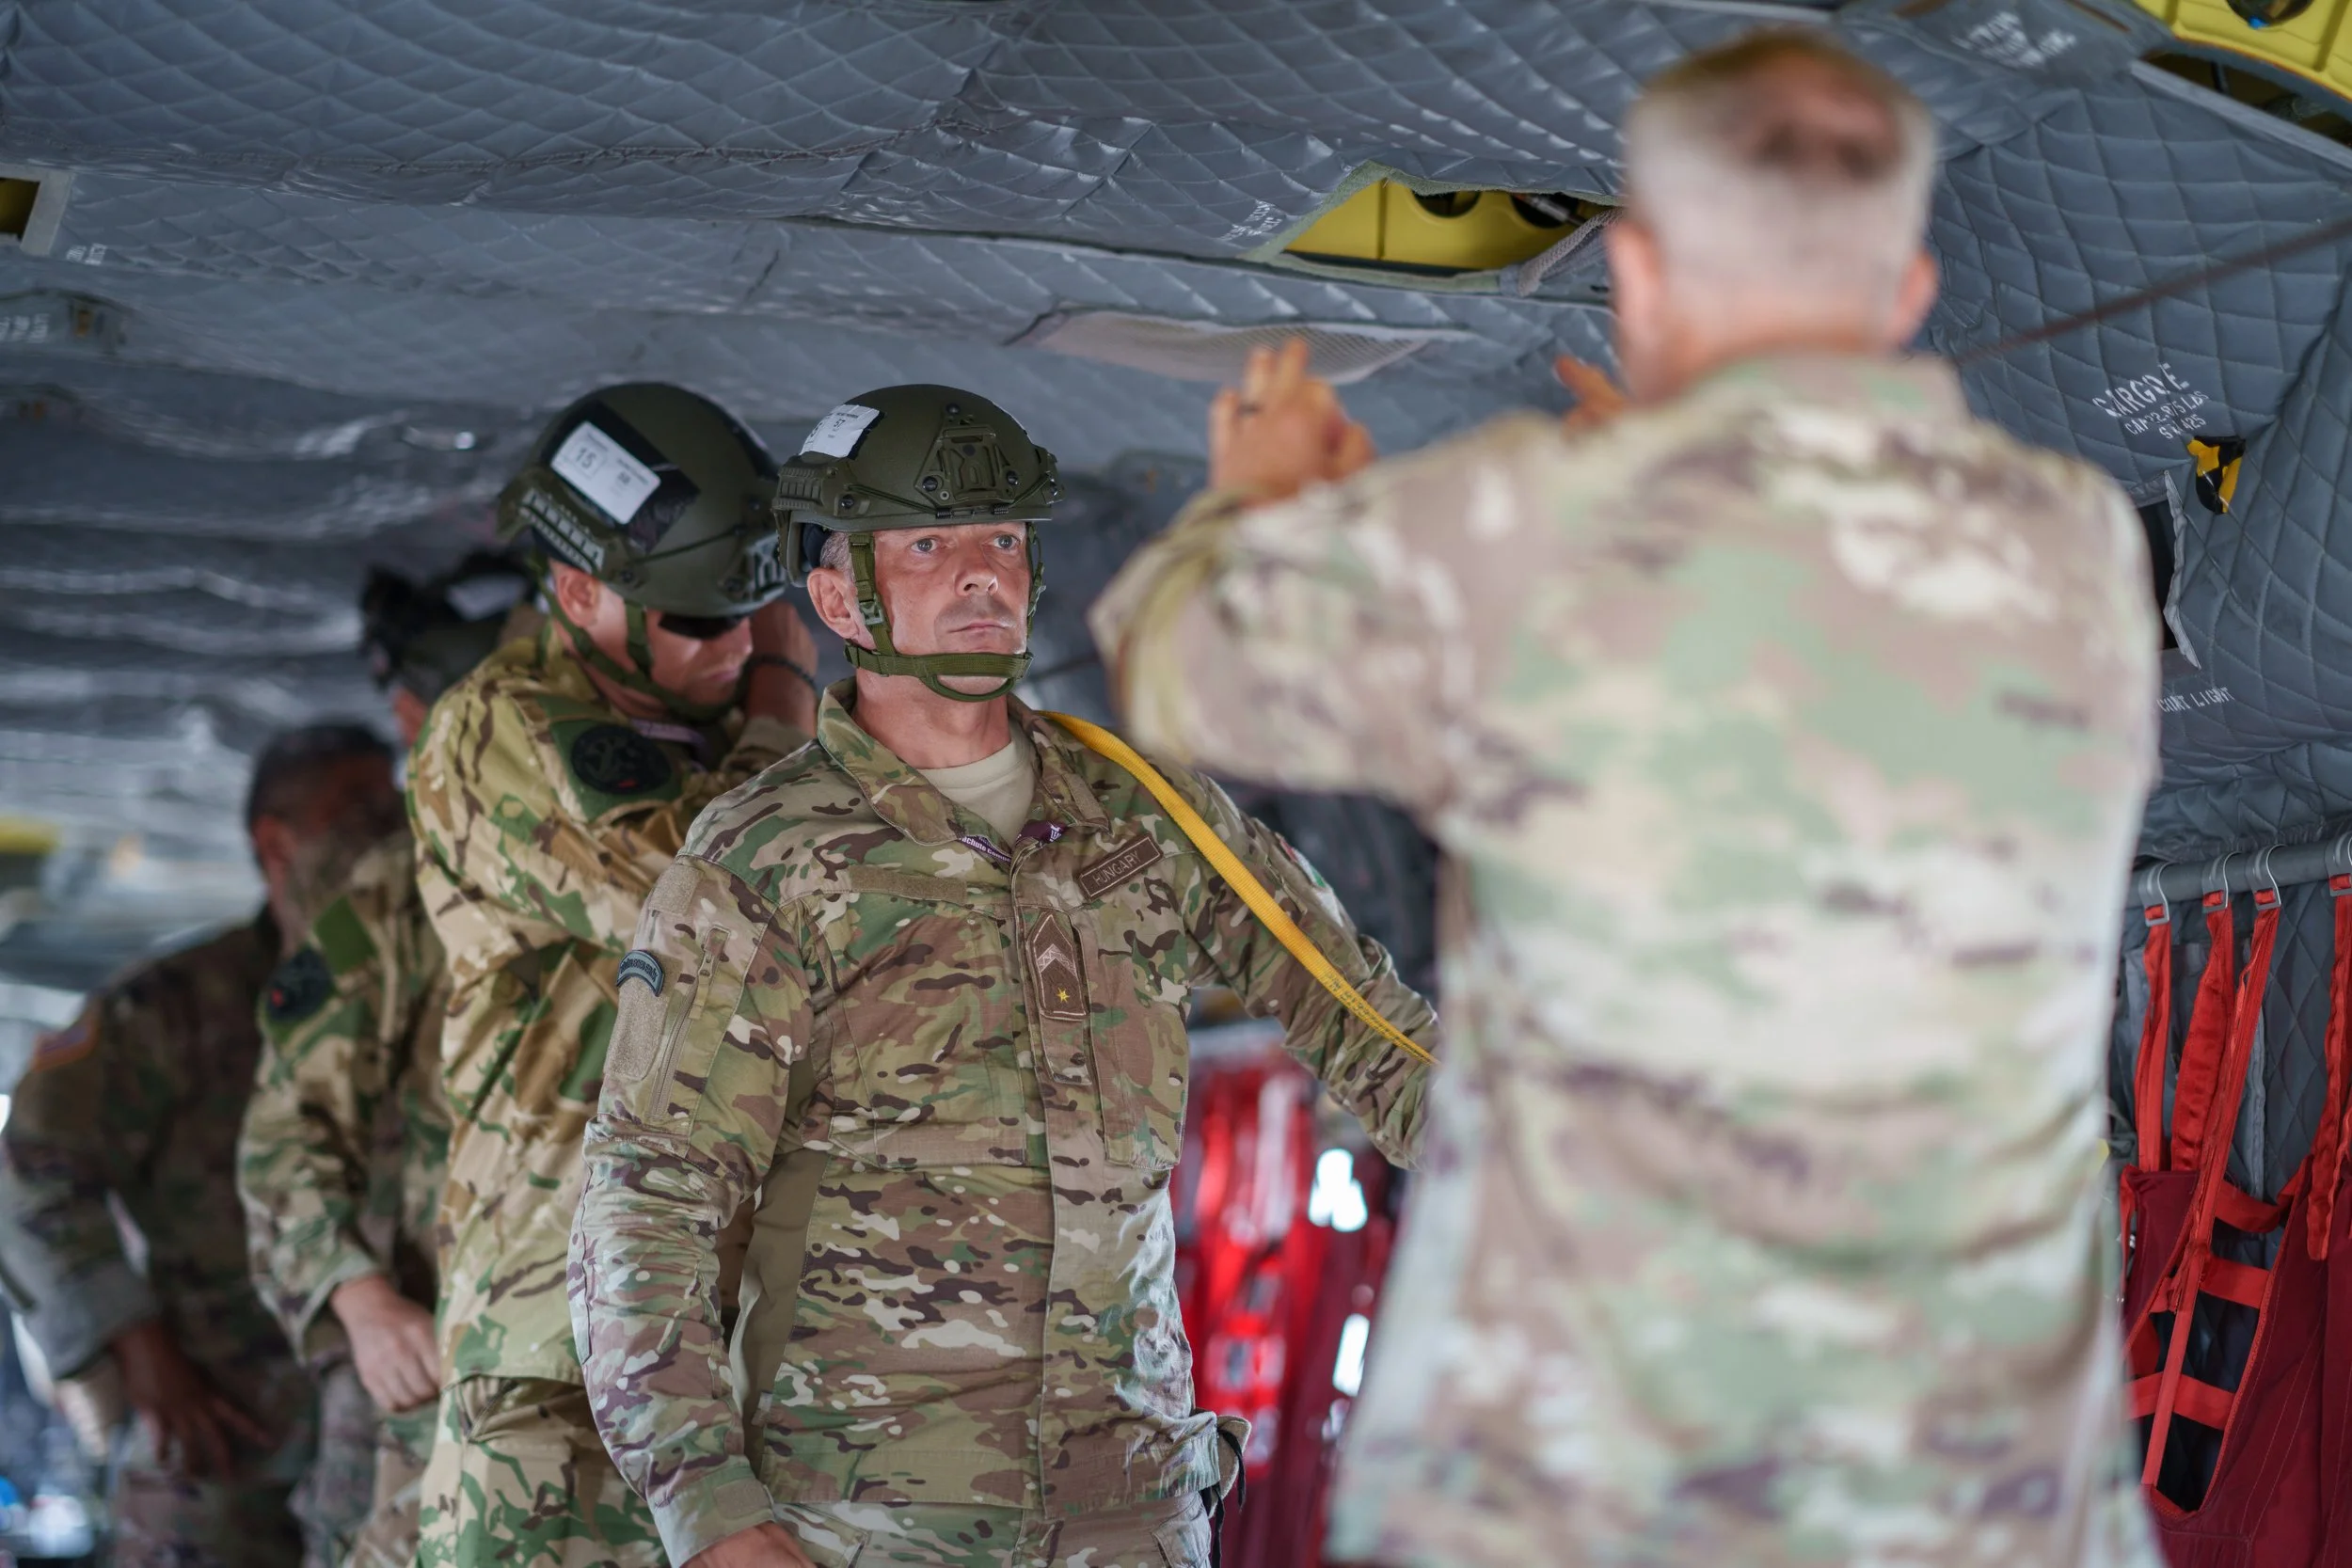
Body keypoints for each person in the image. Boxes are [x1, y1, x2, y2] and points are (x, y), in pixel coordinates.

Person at [1090, 30, 2163, 1568]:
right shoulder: (2078, 549)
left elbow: (1173, 659)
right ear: (1907, 293)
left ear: (1640, 275)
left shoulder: (1533, 529)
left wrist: (1265, 499)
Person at [565, 383, 1438, 1568]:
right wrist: (708, 1509)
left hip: (1128, 1514)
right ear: (836, 596)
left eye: (1004, 541)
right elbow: (650, 1192)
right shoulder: (764, 859)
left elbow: (1370, 1030)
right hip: (868, 1521)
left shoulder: (1144, 812)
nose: (981, 573)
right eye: (928, 543)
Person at [406, 382, 820, 1568]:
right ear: (578, 590)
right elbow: (730, 914)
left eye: (757, 613)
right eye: (702, 621)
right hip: (557, 1363)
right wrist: (788, 700)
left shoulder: (723, 735)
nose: (741, 643)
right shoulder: (506, 731)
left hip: (714, 1362)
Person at [0, 724, 406, 1568]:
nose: (390, 828)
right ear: (275, 844)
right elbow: (29, 1164)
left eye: (396, 804)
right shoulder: (177, 1006)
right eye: (359, 809)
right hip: (219, 1435)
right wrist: (135, 1348)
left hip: (392, 1437)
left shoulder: (434, 994)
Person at [237, 554, 537, 1568]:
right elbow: (287, 1134)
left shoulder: (683, 840)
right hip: (451, 1377)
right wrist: (358, 1297)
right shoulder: (394, 898)